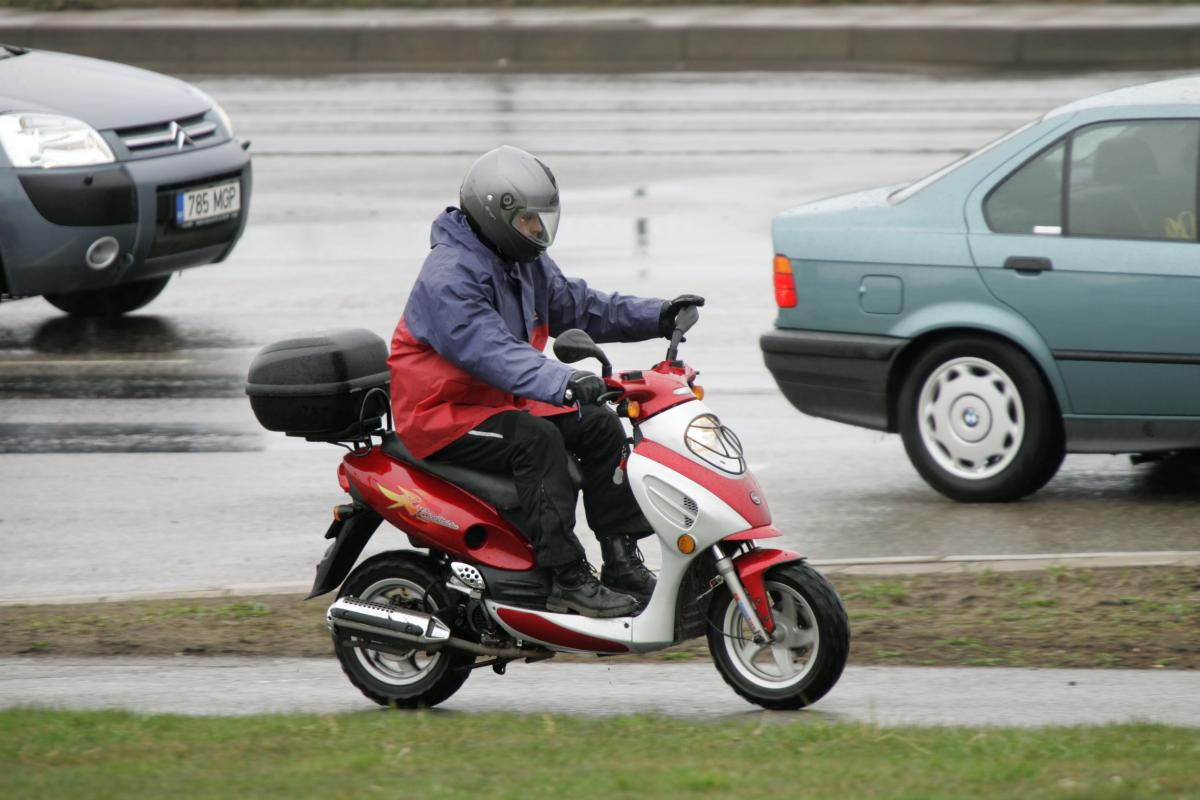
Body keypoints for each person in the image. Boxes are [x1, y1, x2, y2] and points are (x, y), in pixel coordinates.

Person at [387, 144, 704, 618]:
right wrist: (565, 381)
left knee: (599, 425)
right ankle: (566, 577)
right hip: (443, 414)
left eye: (544, 218)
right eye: (531, 220)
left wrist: (657, 316)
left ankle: (620, 561)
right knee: (536, 442)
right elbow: (492, 351)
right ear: (498, 214)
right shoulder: (449, 278)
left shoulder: (520, 259)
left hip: (500, 401)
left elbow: (580, 306)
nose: (540, 230)